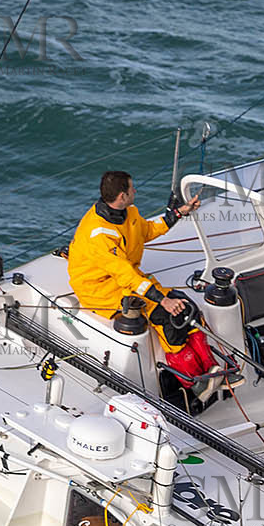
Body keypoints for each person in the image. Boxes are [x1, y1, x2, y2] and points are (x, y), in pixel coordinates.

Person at [67, 170, 227, 396]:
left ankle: (212, 369)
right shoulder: (99, 236)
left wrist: (178, 213)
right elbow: (127, 277)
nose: (136, 191)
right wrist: (162, 301)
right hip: (101, 289)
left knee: (185, 305)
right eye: (132, 188)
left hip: (127, 278)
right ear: (122, 196)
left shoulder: (128, 212)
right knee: (167, 317)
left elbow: (148, 231)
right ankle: (195, 382)